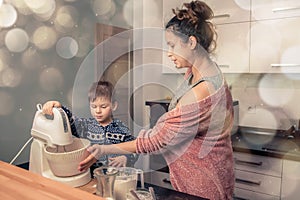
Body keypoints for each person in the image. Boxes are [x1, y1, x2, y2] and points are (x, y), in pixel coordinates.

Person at [79, 1, 234, 199]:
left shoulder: (203, 92)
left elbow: (156, 141)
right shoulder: (202, 71)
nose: (168, 53)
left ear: (192, 43)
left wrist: (103, 149)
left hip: (201, 186)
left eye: (172, 45)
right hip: (214, 171)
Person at [42, 81, 138, 175]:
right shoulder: (86, 126)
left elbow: (135, 149)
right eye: (93, 106)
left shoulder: (122, 129)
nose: (98, 111)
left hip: (116, 178)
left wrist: (125, 158)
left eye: (103, 106)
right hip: (91, 176)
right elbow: (70, 120)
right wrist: (59, 107)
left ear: (114, 106)